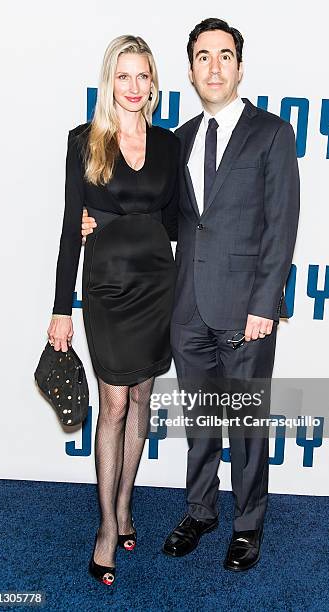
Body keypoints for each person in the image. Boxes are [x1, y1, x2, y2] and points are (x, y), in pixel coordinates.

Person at [81, 17, 299, 572]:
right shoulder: (174, 141)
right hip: (186, 308)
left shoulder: (271, 134)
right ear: (190, 71)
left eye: (225, 56)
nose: (214, 67)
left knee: (246, 424)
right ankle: (200, 509)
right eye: (203, 57)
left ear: (240, 67)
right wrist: (97, 220)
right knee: (201, 420)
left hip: (246, 309)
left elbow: (282, 225)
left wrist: (263, 304)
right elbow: (161, 218)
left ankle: (248, 524)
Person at [48, 35, 179, 586]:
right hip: (105, 290)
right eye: (123, 76)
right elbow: (67, 231)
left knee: (144, 394)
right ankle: (106, 528)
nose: (133, 86)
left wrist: (112, 222)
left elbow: (173, 225)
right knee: (114, 401)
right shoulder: (85, 141)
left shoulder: (169, 144)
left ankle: (126, 505)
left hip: (156, 287)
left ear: (153, 83)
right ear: (110, 81)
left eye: (142, 76)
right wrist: (61, 308)